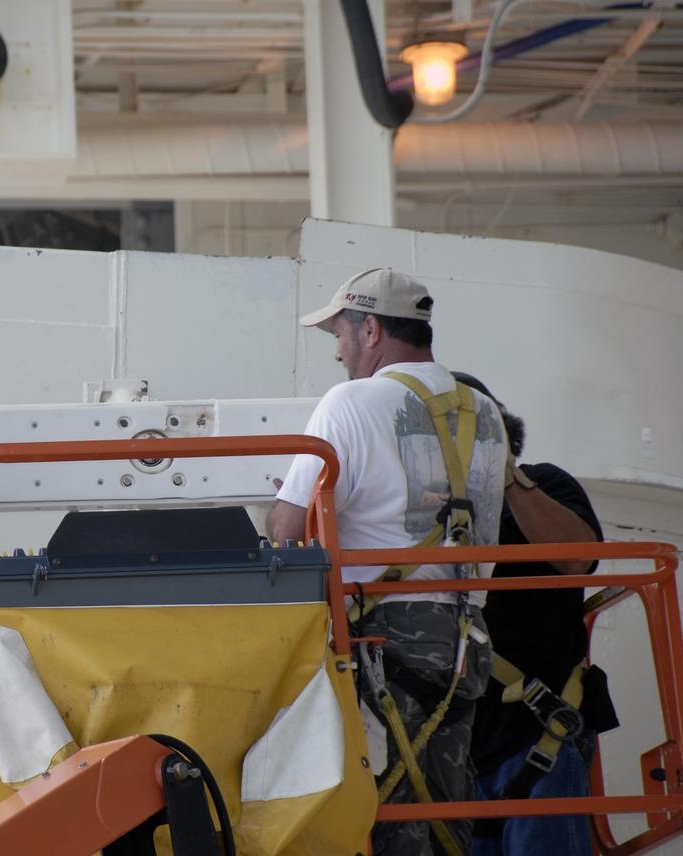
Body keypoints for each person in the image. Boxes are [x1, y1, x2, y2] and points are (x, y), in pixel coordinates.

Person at [266, 267, 507, 856]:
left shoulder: (351, 402)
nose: (339, 353)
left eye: (340, 336)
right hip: (464, 640)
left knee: (380, 810)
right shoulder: (487, 412)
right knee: (443, 810)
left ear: (370, 329)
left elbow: (288, 528)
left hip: (378, 641)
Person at [454, 372, 613, 856]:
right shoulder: (421, 518)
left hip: (531, 734)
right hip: (451, 753)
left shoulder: (540, 485)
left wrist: (502, 473)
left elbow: (577, 557)